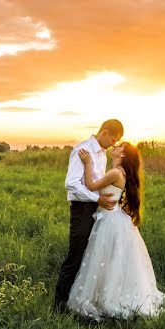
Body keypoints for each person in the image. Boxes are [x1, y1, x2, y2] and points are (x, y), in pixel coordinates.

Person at [66, 141, 165, 319]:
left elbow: (90, 185)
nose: (115, 146)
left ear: (123, 154)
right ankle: (109, 294)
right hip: (114, 217)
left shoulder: (115, 173)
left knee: (104, 258)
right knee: (112, 260)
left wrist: (88, 163)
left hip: (110, 220)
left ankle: (106, 298)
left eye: (119, 146)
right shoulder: (121, 172)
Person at [53, 119, 124, 312]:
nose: (113, 144)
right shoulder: (83, 150)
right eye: (114, 139)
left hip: (96, 209)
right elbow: (72, 184)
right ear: (105, 132)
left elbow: (95, 182)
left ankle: (78, 299)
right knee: (76, 255)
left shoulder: (101, 154)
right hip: (82, 209)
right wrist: (96, 199)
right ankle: (58, 305)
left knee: (89, 256)